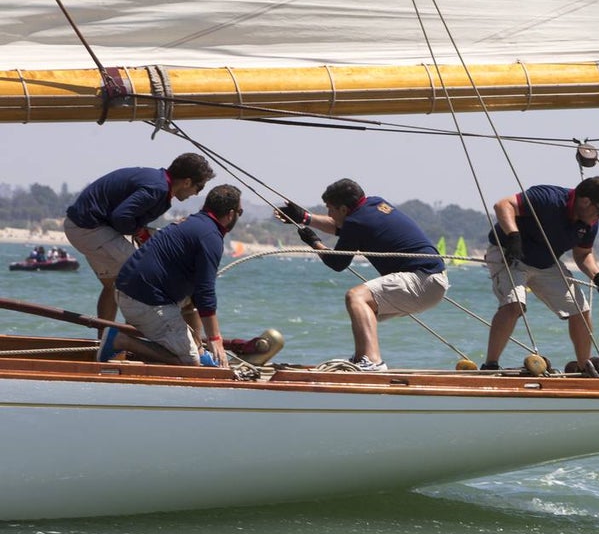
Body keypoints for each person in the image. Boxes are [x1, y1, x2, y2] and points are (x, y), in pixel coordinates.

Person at [278, 178, 449, 371]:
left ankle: (372, 361)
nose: (328, 213)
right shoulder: (373, 204)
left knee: (356, 297)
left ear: (343, 209)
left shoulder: (355, 222)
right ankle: (362, 359)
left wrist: (314, 242)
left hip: (422, 279)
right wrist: (304, 217)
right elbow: (341, 228)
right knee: (364, 310)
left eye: (330, 208)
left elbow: (337, 262)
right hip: (432, 281)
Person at [482, 175, 599, 374]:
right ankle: (490, 365)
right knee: (514, 306)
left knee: (581, 311)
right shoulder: (548, 197)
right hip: (509, 254)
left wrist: (598, 276)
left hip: (545, 263)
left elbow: (583, 254)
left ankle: (584, 370)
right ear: (585, 201)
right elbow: (503, 205)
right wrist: (513, 236)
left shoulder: (589, 223)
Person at [97, 184, 243, 368]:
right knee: (189, 361)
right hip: (143, 301)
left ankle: (195, 348)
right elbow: (205, 291)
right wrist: (215, 339)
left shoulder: (192, 223)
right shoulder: (211, 237)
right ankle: (121, 340)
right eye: (240, 212)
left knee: (190, 302)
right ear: (230, 214)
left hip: (129, 289)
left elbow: (199, 293)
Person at [64, 154, 215, 323]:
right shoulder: (157, 189)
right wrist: (140, 233)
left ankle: (103, 342)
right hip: (89, 229)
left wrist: (139, 231)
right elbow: (121, 217)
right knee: (146, 275)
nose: (196, 194)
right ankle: (130, 339)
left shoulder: (156, 180)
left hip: (81, 225)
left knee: (112, 286)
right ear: (187, 182)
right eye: (199, 188)